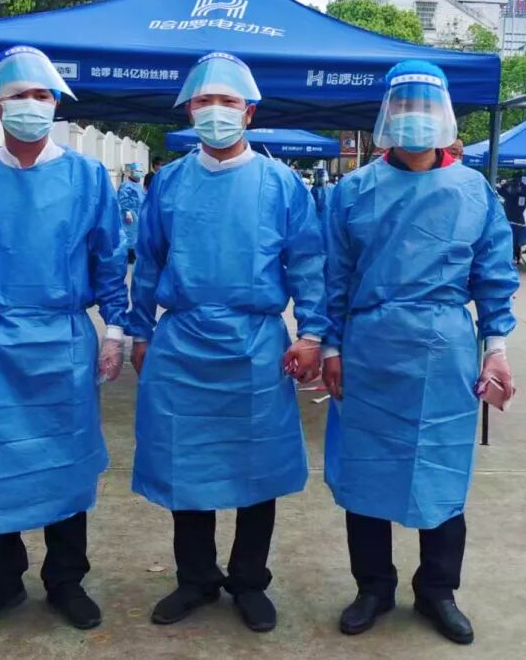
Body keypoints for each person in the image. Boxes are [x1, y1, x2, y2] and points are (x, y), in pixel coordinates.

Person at [0, 46, 129, 633]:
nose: (33, 105)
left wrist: (114, 329)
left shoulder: (87, 177)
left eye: (43, 95)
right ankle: (3, 582)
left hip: (64, 339)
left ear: (57, 103)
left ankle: (66, 580)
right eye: (20, 95)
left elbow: (109, 258)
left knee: (66, 462)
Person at [129, 52, 328, 633]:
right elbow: (148, 262)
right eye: (204, 101)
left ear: (250, 112)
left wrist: (312, 332)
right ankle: (195, 578)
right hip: (183, 340)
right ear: (189, 110)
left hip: (255, 343)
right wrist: (139, 329)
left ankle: (248, 581)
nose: (215, 111)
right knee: (184, 464)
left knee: (256, 466)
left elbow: (307, 261)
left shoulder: (280, 183)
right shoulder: (169, 181)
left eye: (228, 101)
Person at [321, 60, 518, 645]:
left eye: (426, 107)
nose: (415, 119)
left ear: (445, 116)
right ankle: (373, 587)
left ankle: (438, 590)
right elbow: (333, 276)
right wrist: (329, 345)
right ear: (388, 114)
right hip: (369, 347)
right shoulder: (353, 191)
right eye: (404, 106)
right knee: (366, 470)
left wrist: (497, 348)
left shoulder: (473, 191)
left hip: (444, 347)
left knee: (441, 469)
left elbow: (493, 274)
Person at [497, 173, 526, 264]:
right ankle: (510, 256)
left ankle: (517, 256)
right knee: (508, 238)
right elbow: (500, 190)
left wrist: (520, 187)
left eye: (518, 179)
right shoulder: (508, 191)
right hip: (508, 217)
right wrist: (507, 184)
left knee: (518, 239)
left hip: (519, 217)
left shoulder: (525, 188)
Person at [117, 163, 146, 264]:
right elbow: (122, 199)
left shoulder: (139, 185)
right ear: (131, 172)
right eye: (136, 171)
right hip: (130, 214)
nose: (138, 173)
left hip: (138, 212)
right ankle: (129, 255)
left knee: (136, 234)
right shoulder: (126, 185)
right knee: (130, 234)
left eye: (140, 171)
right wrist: (127, 212)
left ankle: (133, 253)